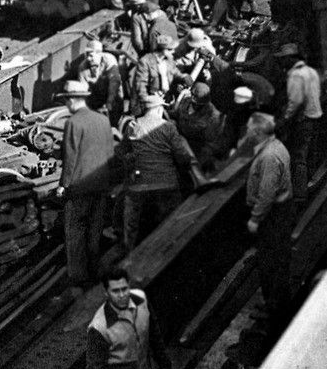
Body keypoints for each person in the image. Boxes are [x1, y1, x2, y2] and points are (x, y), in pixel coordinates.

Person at [86, 265, 172, 369]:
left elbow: (154, 334)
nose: (122, 295)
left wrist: (164, 365)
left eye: (124, 289)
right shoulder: (99, 328)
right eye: (115, 291)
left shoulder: (141, 302)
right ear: (107, 293)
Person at [119, 94, 203, 252]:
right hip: (167, 184)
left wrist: (133, 160)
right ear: (159, 109)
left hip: (139, 185)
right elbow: (182, 157)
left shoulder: (133, 125)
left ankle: (129, 251)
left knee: (131, 223)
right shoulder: (168, 127)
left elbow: (122, 152)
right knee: (171, 223)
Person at [54, 80, 114, 289]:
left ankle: (79, 275)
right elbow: (110, 153)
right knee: (95, 228)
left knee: (76, 229)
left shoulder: (73, 122)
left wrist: (63, 185)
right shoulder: (103, 120)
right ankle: (95, 269)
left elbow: (70, 158)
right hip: (101, 184)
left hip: (79, 187)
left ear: (71, 100)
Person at [245, 113, 293, 333]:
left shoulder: (268, 157)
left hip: (272, 217)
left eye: (249, 129)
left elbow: (266, 193)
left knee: (270, 263)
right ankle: (274, 305)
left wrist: (255, 218)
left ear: (257, 132)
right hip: (277, 214)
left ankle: (274, 311)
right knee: (274, 261)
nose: (246, 132)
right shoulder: (275, 147)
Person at [277, 42, 321, 203]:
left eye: (284, 59)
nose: (282, 62)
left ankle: (300, 195)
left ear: (290, 59)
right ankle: (310, 182)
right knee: (310, 152)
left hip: (302, 120)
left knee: (298, 156)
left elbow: (294, 104)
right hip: (314, 116)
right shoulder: (310, 71)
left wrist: (282, 121)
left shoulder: (295, 76)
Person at [68, 37, 124, 126]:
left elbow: (114, 83)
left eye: (91, 55)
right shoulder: (82, 67)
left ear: (99, 53)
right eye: (87, 55)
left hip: (112, 92)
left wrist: (109, 103)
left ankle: (116, 124)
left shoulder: (109, 59)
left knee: (116, 104)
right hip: (96, 93)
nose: (88, 59)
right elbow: (82, 92)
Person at [172, 82, 226, 174]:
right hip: (177, 144)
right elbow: (176, 115)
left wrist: (196, 166)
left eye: (198, 104)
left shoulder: (213, 117)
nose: (195, 105)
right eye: (193, 101)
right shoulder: (186, 101)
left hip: (195, 152)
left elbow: (210, 146)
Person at [129, 35, 177, 117]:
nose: (173, 51)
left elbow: (174, 73)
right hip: (150, 103)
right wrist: (151, 103)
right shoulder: (145, 61)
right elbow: (141, 86)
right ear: (163, 50)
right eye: (170, 49)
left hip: (165, 100)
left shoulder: (169, 60)